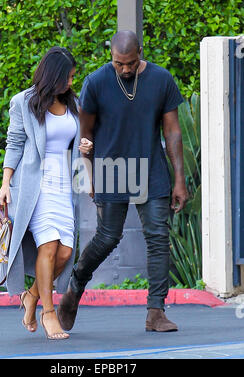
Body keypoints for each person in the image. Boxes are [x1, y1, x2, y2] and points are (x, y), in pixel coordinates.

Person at [57, 31, 189, 333]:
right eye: (119, 64)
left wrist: (179, 180)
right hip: (110, 168)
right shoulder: (96, 82)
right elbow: (85, 135)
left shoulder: (161, 79)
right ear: (111, 57)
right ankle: (75, 288)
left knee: (158, 238)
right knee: (107, 238)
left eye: (130, 63)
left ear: (140, 52)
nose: (126, 69)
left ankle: (156, 311)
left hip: (150, 168)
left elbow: (172, 131)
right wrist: (89, 175)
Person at [0, 46, 92, 340]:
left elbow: (77, 141)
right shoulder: (23, 102)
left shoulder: (73, 103)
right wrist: (5, 182)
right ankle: (48, 313)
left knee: (64, 252)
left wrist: (85, 147)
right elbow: (14, 143)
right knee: (48, 246)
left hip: (64, 185)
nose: (71, 83)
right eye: (68, 77)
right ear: (53, 76)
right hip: (33, 187)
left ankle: (31, 296)